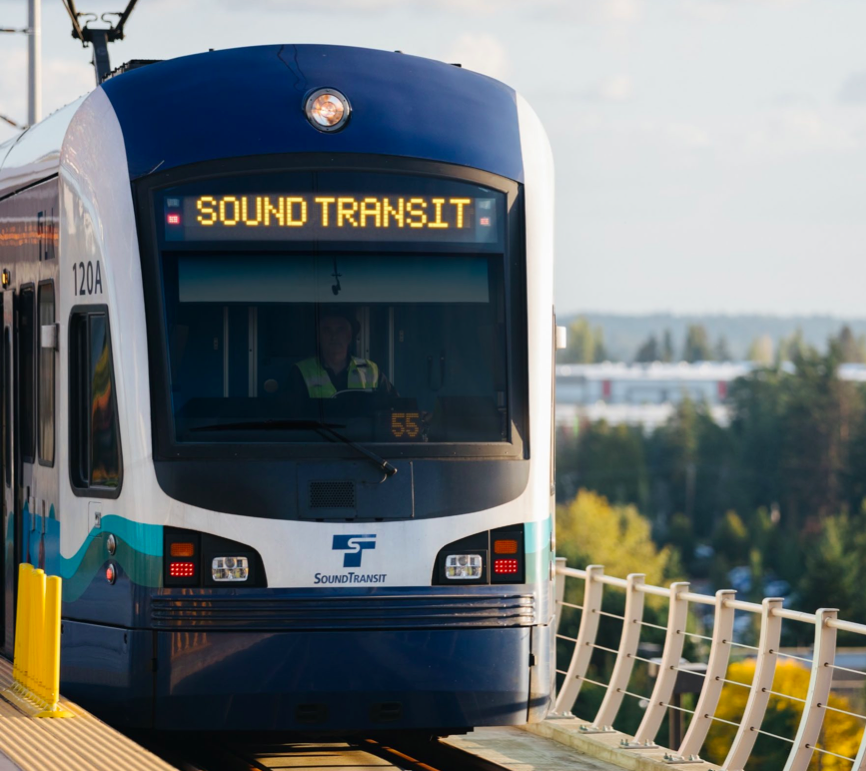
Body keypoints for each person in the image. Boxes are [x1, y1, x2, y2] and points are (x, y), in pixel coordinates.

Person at [291, 307, 396, 398]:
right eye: (327, 330)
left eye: (340, 330)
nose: (334, 336)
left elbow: (393, 406)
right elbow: (290, 416)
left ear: (349, 336)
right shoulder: (301, 372)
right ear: (319, 337)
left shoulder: (370, 370)